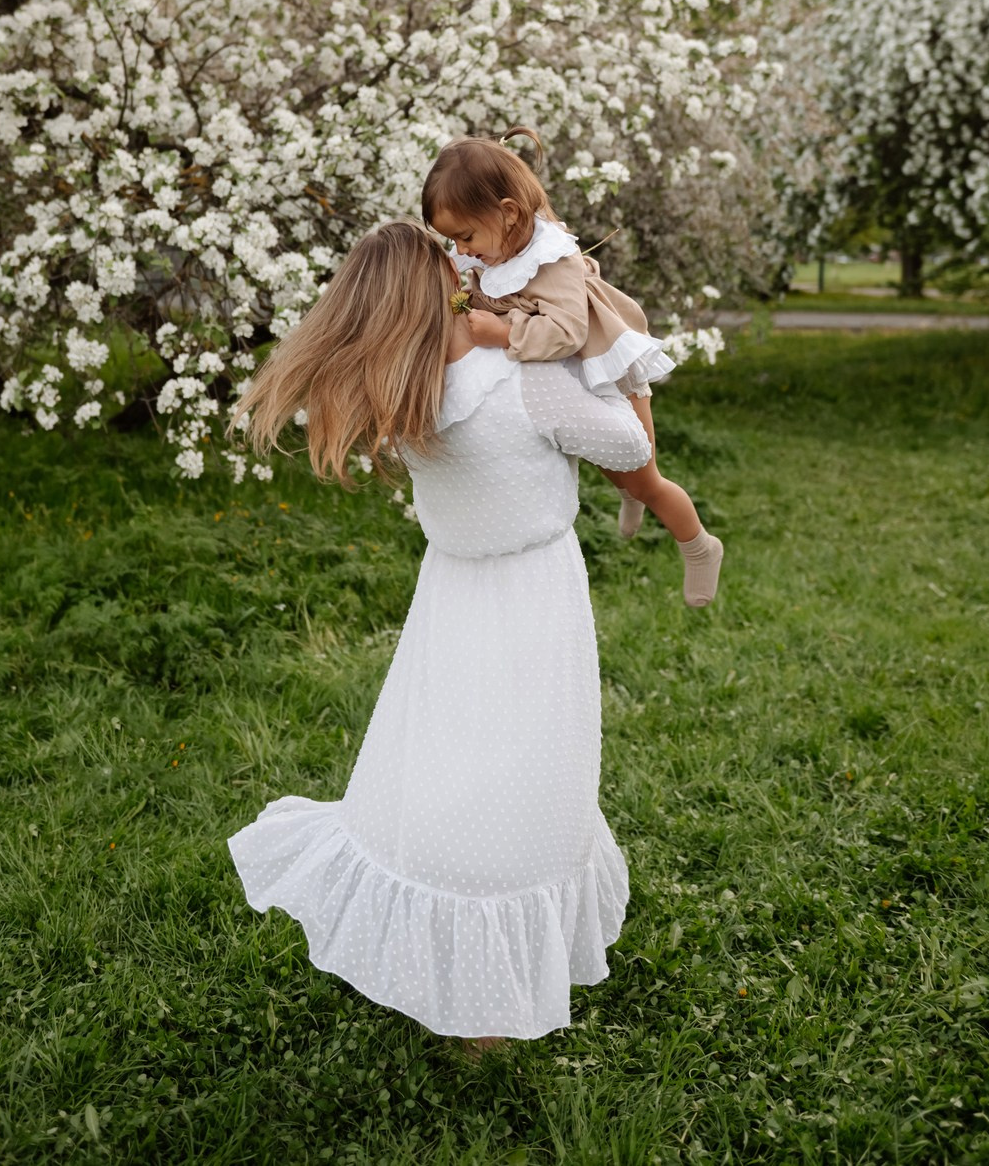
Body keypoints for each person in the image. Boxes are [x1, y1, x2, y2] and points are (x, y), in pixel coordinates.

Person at [227, 220, 659, 1044]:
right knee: (526, 765)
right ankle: (490, 988)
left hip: (452, 594)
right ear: (440, 288)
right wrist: (608, 365)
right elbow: (628, 446)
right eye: (451, 263)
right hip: (531, 594)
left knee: (449, 754)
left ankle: (442, 930)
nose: (467, 268)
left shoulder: (403, 395)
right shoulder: (523, 381)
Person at [422, 129, 723, 609]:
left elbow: (568, 333)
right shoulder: (499, 246)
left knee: (646, 476)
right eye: (452, 239)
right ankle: (628, 492)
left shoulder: (551, 258)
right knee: (613, 466)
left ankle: (699, 545)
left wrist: (504, 333)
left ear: (509, 213)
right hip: (569, 379)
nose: (461, 249)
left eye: (465, 236)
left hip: (606, 370)